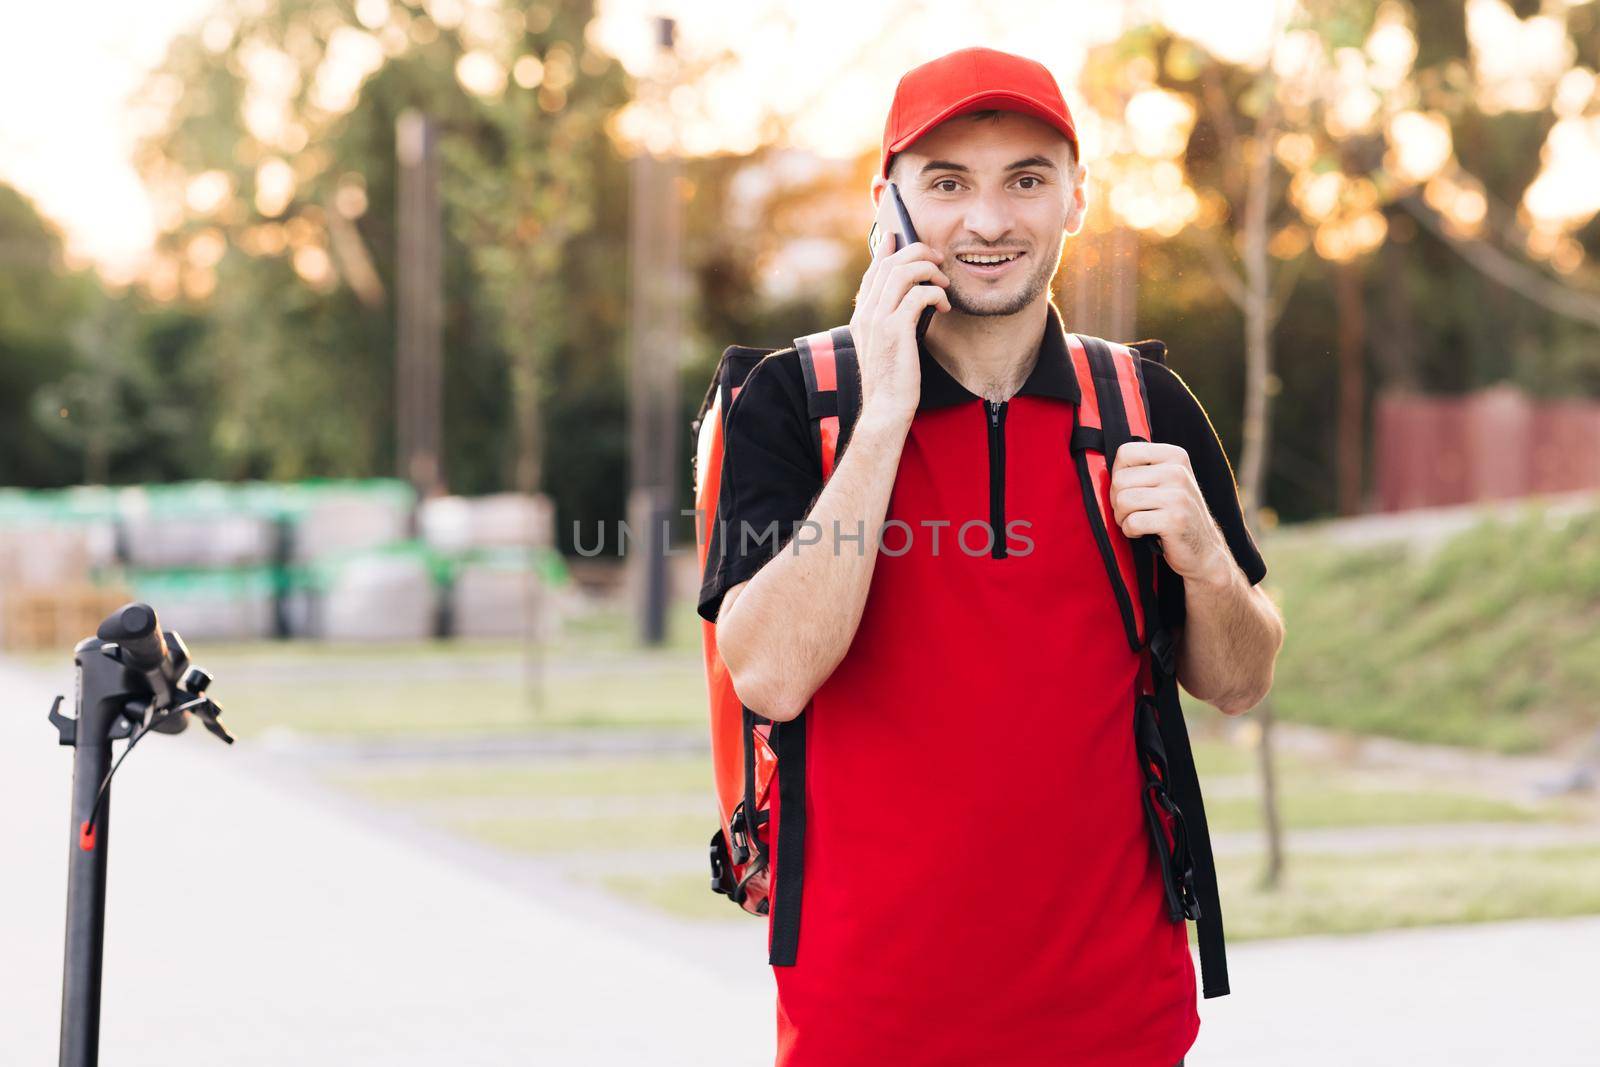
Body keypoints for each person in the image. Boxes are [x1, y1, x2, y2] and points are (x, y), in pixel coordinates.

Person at [697, 47, 1285, 1067]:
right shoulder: (795, 403)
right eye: (946, 183)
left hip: (1118, 1014)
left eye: (1025, 178)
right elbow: (771, 671)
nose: (986, 220)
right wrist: (883, 419)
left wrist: (1203, 556)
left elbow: (1238, 679)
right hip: (865, 1019)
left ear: (1075, 198)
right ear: (888, 206)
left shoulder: (1145, 409)